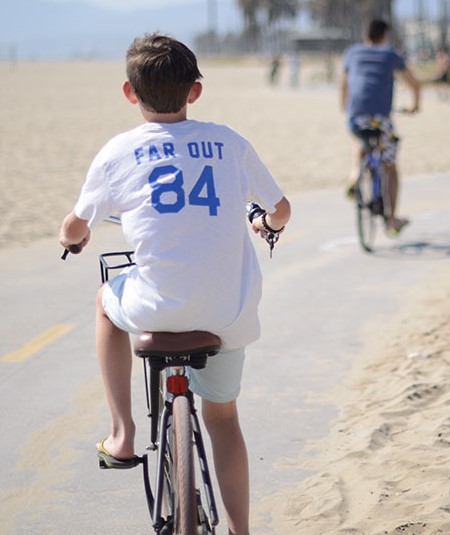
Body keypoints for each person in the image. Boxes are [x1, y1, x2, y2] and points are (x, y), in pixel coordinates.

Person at [59, 33, 291, 535]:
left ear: (129, 92)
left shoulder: (118, 152)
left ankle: (122, 434)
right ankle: (240, 531)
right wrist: (266, 224)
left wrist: (71, 238)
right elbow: (280, 209)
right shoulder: (229, 142)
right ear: (195, 91)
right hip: (227, 311)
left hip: (154, 308)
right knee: (224, 420)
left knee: (104, 301)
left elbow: (77, 225)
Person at [340, 19, 420, 235]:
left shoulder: (352, 52)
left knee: (359, 140)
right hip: (381, 119)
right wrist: (415, 105)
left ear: (366, 35)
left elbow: (344, 82)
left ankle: (355, 174)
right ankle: (392, 221)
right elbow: (414, 82)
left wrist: (344, 106)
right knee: (390, 167)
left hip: (356, 116)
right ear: (384, 36)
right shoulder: (390, 54)